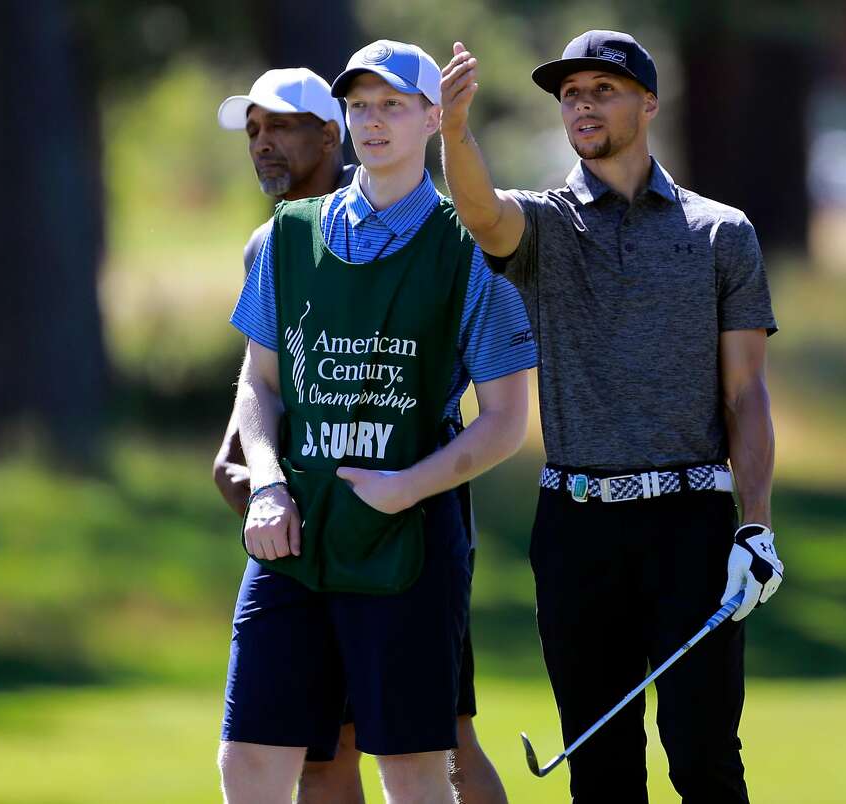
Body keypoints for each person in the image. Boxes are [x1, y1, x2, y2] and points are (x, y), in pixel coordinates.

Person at [439, 30, 784, 803]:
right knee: (601, 769)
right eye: (570, 94)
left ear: (650, 102)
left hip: (692, 524)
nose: (582, 104)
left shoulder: (720, 232)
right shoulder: (547, 225)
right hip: (576, 527)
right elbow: (479, 212)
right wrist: (455, 133)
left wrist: (753, 525)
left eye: (603, 89)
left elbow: (746, 393)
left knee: (704, 756)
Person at [217, 40, 534, 804]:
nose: (373, 121)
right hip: (292, 538)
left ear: (434, 116)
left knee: (414, 768)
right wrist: (266, 484)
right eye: (360, 105)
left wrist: (408, 487)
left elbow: (505, 421)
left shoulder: (472, 252)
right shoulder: (289, 236)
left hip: (409, 545)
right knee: (248, 758)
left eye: (393, 104)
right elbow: (259, 385)